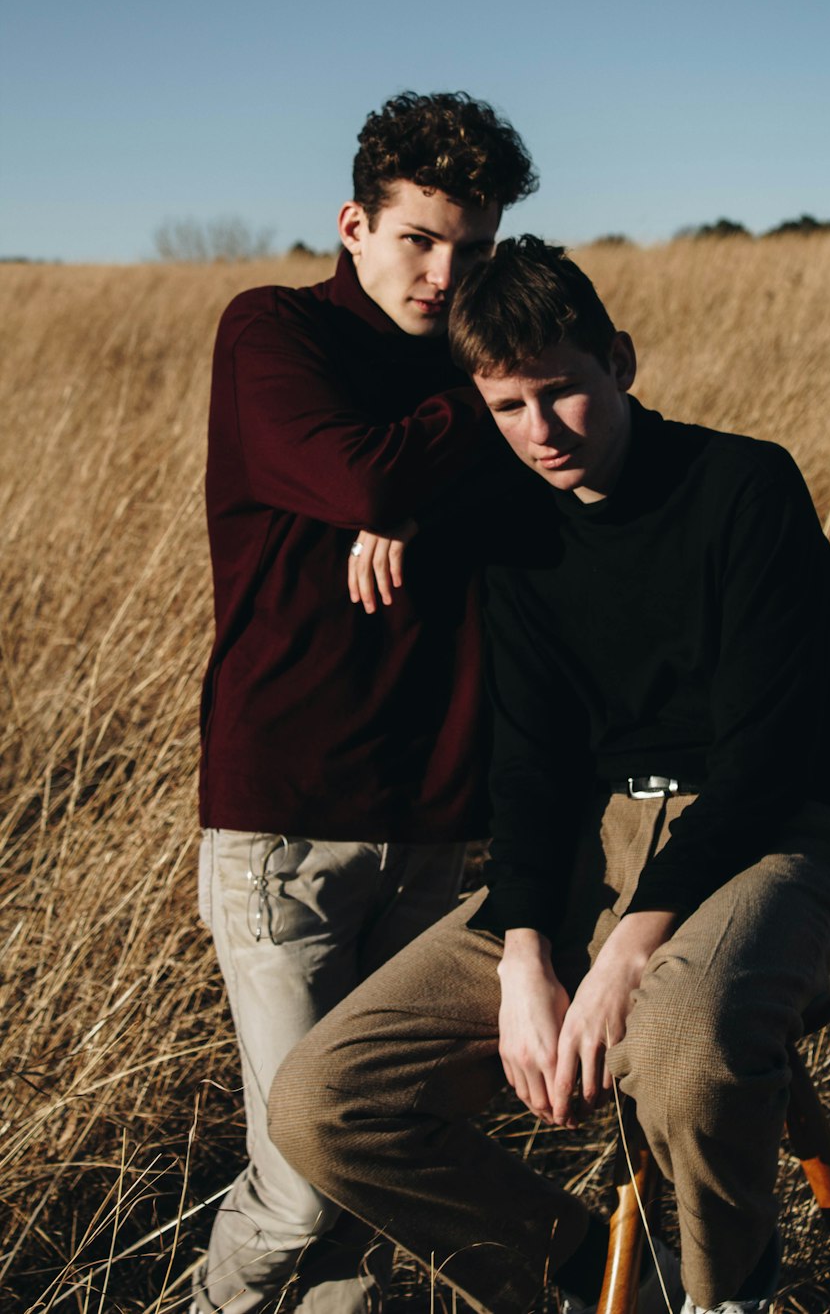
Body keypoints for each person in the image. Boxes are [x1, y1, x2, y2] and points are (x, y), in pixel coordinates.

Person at [268, 236, 830, 1314]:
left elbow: (761, 761)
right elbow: (531, 763)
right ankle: (603, 1277)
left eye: (560, 393)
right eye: (507, 409)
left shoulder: (743, 484)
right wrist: (524, 958)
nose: (540, 433)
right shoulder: (516, 532)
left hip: (769, 840)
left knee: (679, 1050)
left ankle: (718, 1295)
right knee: (322, 1099)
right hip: (588, 853)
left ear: (622, 361)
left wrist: (621, 961)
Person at [194, 96, 537, 1314]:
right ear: (354, 223)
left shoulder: (495, 380)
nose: (449, 278)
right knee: (300, 1188)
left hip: (439, 822)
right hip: (288, 818)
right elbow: (348, 469)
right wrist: (441, 436)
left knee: (366, 1170)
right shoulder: (277, 334)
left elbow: (555, 490)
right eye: (420, 241)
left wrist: (417, 480)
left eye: (477, 253)